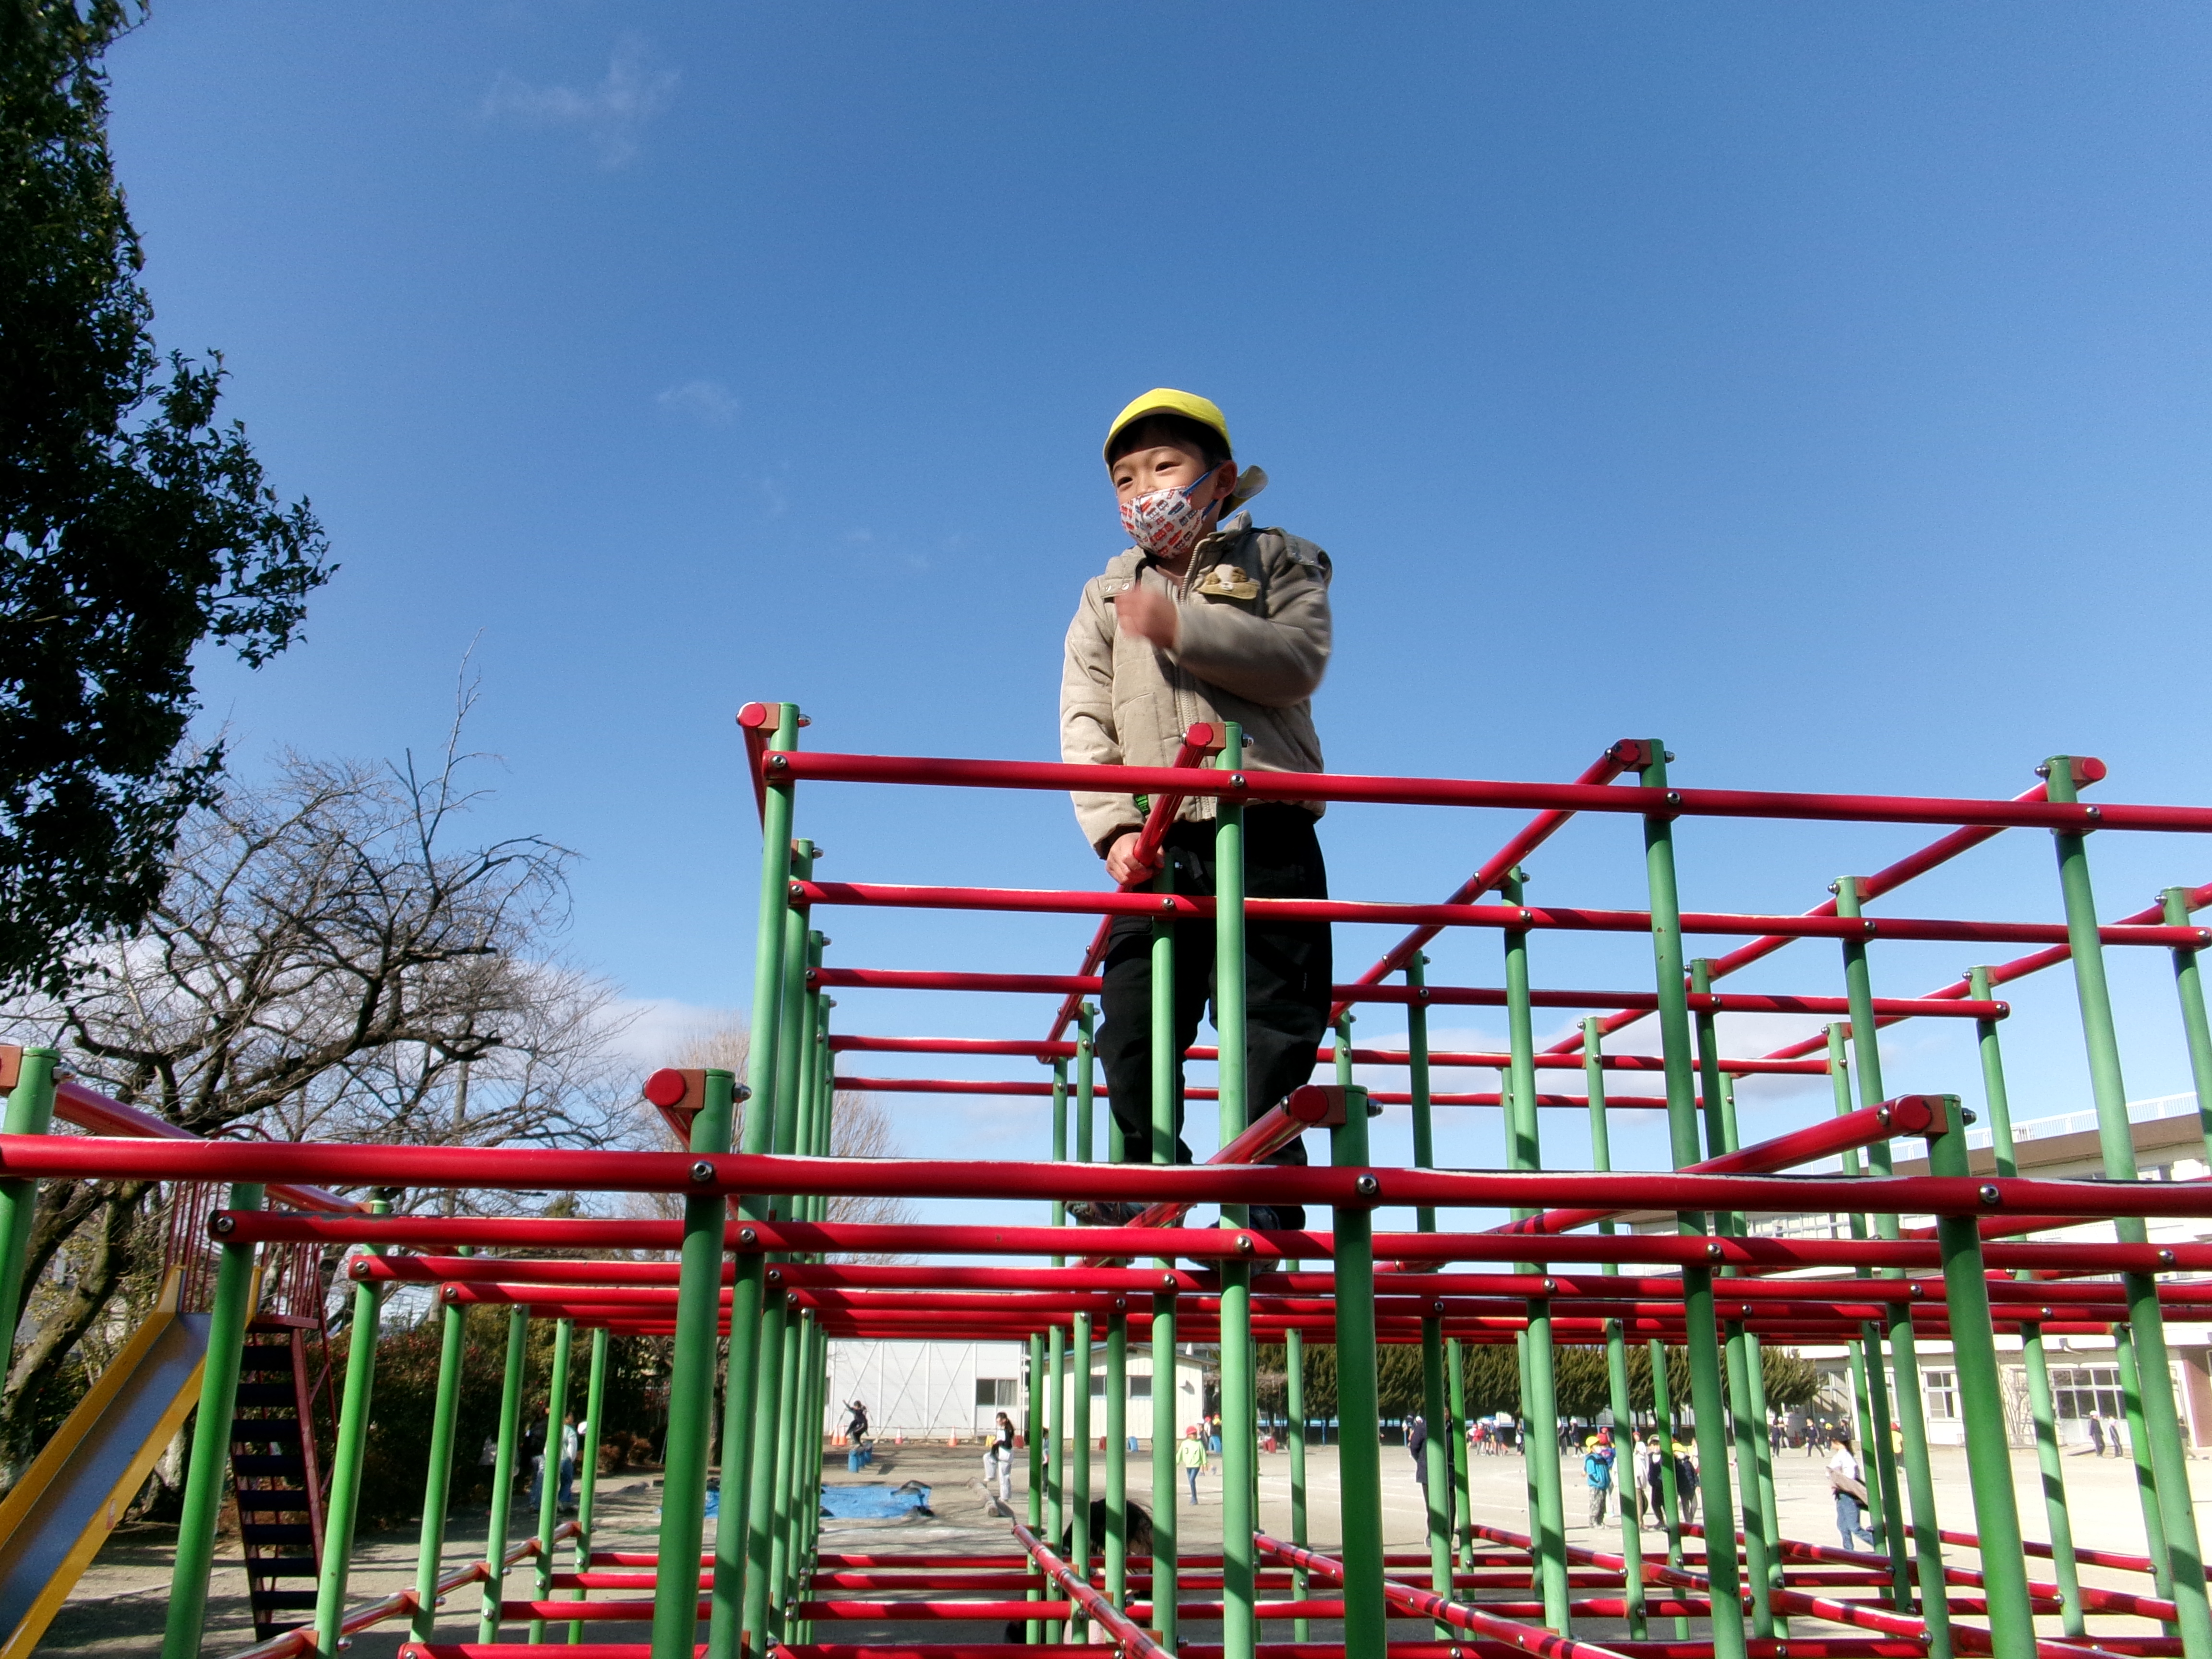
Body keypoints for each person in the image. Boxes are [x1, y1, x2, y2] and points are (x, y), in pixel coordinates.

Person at [1059, 389, 1334, 1233]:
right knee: (1132, 1020)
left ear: (1219, 479)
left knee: (1271, 1013)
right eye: (1125, 479)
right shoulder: (1105, 595)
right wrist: (1112, 827)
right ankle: (1150, 1172)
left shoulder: (1278, 559)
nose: (1145, 490)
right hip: (1157, 835)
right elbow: (1085, 717)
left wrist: (1182, 627)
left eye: (1165, 467)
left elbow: (1297, 661)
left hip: (1266, 818)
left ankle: (1264, 1184)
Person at [1826, 1432, 1878, 1551]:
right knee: (1842, 1526)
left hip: (1847, 1494)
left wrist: (1840, 1479)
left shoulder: (1844, 1455)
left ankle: (1877, 1545)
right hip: (1841, 1494)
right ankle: (1848, 1550)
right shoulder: (1841, 1455)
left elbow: (1851, 1474)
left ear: (1836, 1442)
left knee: (1854, 1527)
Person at [1583, 1428, 1616, 1528]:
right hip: (1596, 1486)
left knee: (1602, 1505)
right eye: (1596, 1445)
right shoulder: (1591, 1459)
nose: (1599, 1447)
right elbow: (1591, 1473)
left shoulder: (1602, 1458)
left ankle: (1600, 1522)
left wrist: (1607, 1481)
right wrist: (1598, 1481)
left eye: (1599, 1444)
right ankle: (1593, 1523)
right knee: (1595, 1504)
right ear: (1591, 1448)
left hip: (1604, 1485)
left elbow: (1606, 1470)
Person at [984, 1411, 1016, 1502]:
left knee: (1004, 1477)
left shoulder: (1006, 1431)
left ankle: (1005, 1497)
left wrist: (998, 1442)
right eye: (997, 1421)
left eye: (999, 1421)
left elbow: (1008, 1444)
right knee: (987, 1457)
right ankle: (991, 1475)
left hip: (1005, 1456)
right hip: (1002, 1454)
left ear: (1004, 1420)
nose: (998, 1422)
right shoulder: (1004, 1430)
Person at [1671, 1435, 1699, 1526]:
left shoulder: (1688, 1462)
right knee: (1685, 1506)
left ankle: (1690, 1519)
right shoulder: (1675, 1465)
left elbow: (1694, 1474)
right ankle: (1688, 1522)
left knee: (1695, 1505)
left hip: (1691, 1487)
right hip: (1683, 1489)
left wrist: (1698, 1485)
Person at [1178, 1425, 1208, 1505]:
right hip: (1188, 1465)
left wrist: (1205, 1463)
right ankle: (1194, 1498)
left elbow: (1203, 1453)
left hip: (1196, 1465)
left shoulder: (1199, 1443)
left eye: (1195, 1434)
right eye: (1193, 1434)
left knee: (1192, 1480)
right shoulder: (1185, 1443)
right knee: (1191, 1482)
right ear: (1188, 1435)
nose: (1194, 1435)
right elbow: (1180, 1453)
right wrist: (1177, 1461)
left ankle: (1194, 1499)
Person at [557, 1412, 579, 1511]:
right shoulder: (570, 1431)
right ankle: (563, 1502)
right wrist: (571, 1458)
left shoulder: (555, 1429)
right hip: (565, 1459)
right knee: (566, 1482)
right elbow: (572, 1446)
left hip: (554, 1459)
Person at [1408, 1413, 1428, 1486]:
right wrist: (1421, 1460)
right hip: (1426, 1468)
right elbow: (1414, 1447)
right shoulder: (1422, 1428)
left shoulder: (1450, 1427)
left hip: (1448, 1469)